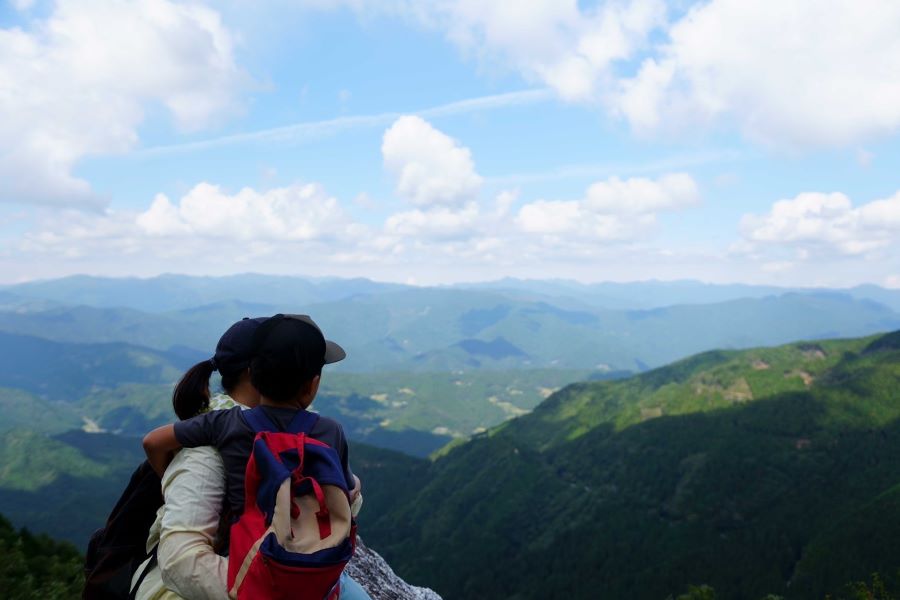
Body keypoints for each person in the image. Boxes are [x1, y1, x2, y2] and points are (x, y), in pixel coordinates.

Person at [138, 314, 367, 599]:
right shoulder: (207, 452)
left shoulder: (223, 425)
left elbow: (153, 441)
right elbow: (182, 562)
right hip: (251, 580)